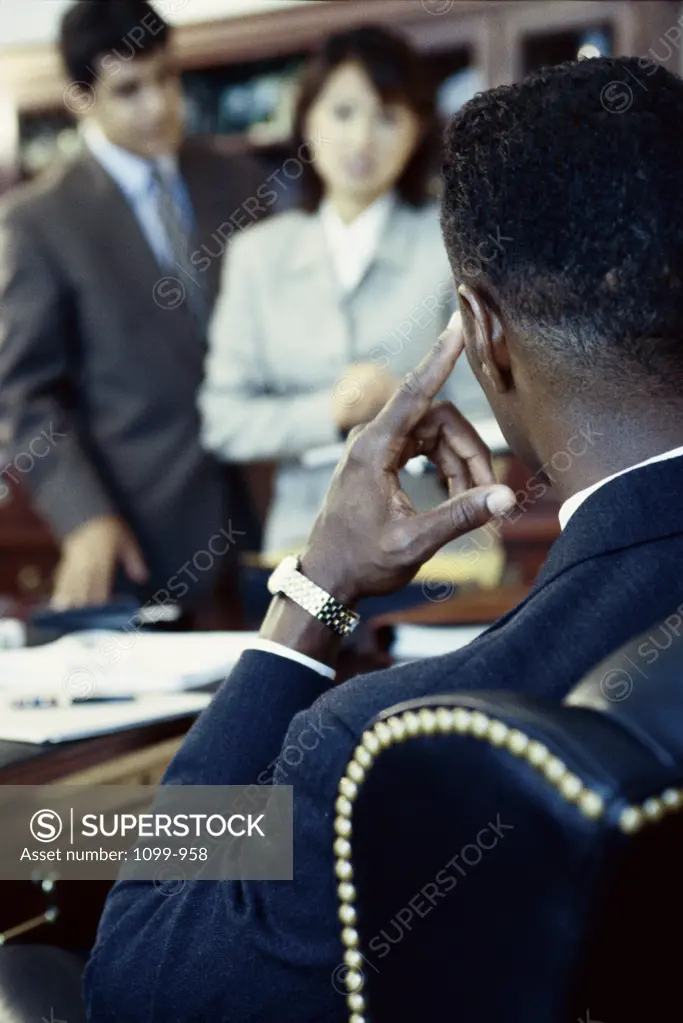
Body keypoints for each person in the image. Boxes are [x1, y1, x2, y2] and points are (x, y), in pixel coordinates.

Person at [85, 55, 683, 1021]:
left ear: (480, 331)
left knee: (38, 839)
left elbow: (134, 973)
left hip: (351, 615)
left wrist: (312, 591)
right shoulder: (262, 254)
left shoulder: (382, 755)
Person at [0, 0, 264, 620]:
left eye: (167, 78)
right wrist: (85, 516)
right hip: (141, 530)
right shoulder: (40, 221)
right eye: (128, 89)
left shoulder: (239, 181)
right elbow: (23, 398)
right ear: (80, 98)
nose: (158, 106)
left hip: (269, 510)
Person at [199, 25, 491, 556]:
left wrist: (403, 402)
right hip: (301, 547)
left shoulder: (453, 244)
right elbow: (224, 421)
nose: (361, 140)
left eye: (387, 116)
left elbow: (497, 414)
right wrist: (332, 409)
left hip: (440, 542)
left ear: (418, 128)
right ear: (308, 120)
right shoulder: (257, 256)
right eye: (342, 113)